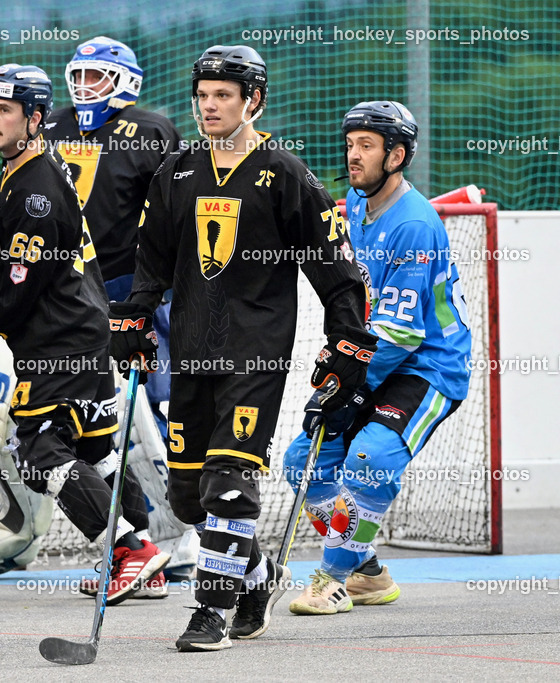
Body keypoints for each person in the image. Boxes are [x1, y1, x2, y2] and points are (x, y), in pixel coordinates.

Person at [109, 45, 374, 651]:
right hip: (192, 350)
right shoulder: (176, 172)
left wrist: (349, 343)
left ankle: (210, 612)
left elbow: (334, 266)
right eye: (203, 95)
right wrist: (131, 320)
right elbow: (150, 259)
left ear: (252, 99)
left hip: (255, 354)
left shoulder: (284, 172)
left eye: (223, 95)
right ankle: (255, 581)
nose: (209, 106)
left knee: (230, 483)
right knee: (188, 494)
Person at [0, 63, 169, 605]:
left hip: (58, 345)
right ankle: (148, 555)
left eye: (5, 110)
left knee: (39, 453)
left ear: (34, 117)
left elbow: (19, 285)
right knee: (97, 452)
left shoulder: (34, 188)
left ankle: (129, 552)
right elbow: (27, 232)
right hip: (84, 333)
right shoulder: (31, 170)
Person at [282, 101, 472, 615]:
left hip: (427, 363)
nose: (353, 155)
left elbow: (404, 333)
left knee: (373, 458)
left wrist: (353, 386)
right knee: (302, 462)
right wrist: (343, 368)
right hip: (376, 354)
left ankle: (332, 576)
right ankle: (366, 571)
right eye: (350, 144)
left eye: (366, 145)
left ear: (397, 155)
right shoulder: (354, 205)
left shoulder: (414, 225)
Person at [43, 36, 183, 599]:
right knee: (103, 424)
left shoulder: (149, 130)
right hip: (74, 296)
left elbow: (174, 213)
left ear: (126, 83)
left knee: (155, 408)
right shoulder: (52, 125)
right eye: (79, 75)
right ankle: (141, 541)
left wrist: (159, 294)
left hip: (134, 293)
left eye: (98, 77)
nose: (84, 88)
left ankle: (186, 532)